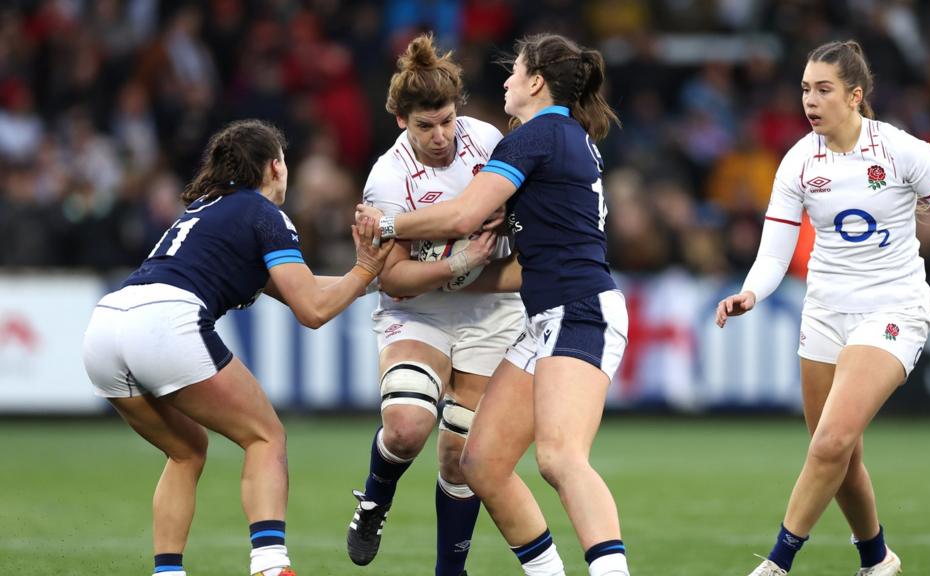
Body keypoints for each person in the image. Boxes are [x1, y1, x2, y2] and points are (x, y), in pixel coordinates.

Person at [715, 40, 930, 576]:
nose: (810, 101)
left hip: (893, 309)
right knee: (840, 460)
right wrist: (751, 291)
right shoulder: (799, 160)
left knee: (831, 442)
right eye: (804, 89)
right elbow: (774, 252)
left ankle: (776, 563)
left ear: (855, 95)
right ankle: (876, 560)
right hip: (823, 313)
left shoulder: (899, 150)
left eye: (823, 90)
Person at [357, 33, 631, 576]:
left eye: (514, 71)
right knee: (480, 462)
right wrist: (451, 268)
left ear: (535, 82)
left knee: (560, 458)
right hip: (543, 317)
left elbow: (461, 217)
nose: (504, 81)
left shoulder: (532, 136)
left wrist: (385, 224)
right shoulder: (560, 135)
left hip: (578, 311)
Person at [81, 119, 394, 576]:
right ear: (274, 167)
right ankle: (271, 566)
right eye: (284, 161)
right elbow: (312, 310)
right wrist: (366, 268)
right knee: (266, 436)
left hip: (106, 325)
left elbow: (301, 290)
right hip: (164, 323)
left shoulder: (208, 209)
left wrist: (377, 281)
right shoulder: (264, 214)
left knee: (187, 449)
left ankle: (167, 572)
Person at [344, 33, 525, 576]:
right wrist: (462, 261)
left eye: (446, 119)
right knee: (404, 428)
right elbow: (394, 279)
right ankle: (375, 500)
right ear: (401, 120)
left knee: (461, 454)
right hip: (419, 309)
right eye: (425, 125)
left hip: (489, 313)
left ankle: (451, 572)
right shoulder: (387, 177)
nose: (441, 135)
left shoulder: (488, 140)